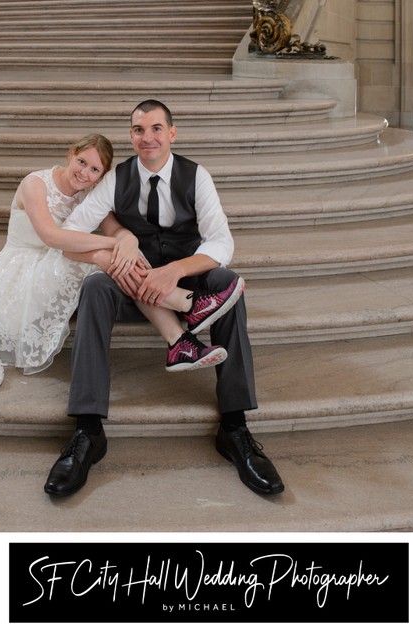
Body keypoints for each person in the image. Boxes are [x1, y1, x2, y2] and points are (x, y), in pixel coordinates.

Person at [44, 100, 284, 498]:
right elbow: (72, 232)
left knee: (229, 281)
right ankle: (88, 431)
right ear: (131, 137)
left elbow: (222, 241)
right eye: (139, 130)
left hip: (183, 284)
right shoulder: (117, 178)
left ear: (172, 133)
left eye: (156, 128)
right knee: (94, 288)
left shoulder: (196, 175)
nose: (147, 137)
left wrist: (174, 271)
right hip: (132, 288)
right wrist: (118, 242)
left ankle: (235, 426)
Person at [0, 134, 228, 390]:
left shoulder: (88, 194)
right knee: (106, 258)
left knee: (118, 258)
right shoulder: (36, 184)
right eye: (82, 162)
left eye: (95, 170)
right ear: (71, 154)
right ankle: (185, 304)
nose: (84, 173)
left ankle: (179, 338)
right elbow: (52, 237)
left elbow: (115, 229)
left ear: (101, 176)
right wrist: (112, 245)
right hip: (23, 263)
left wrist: (127, 240)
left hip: (59, 258)